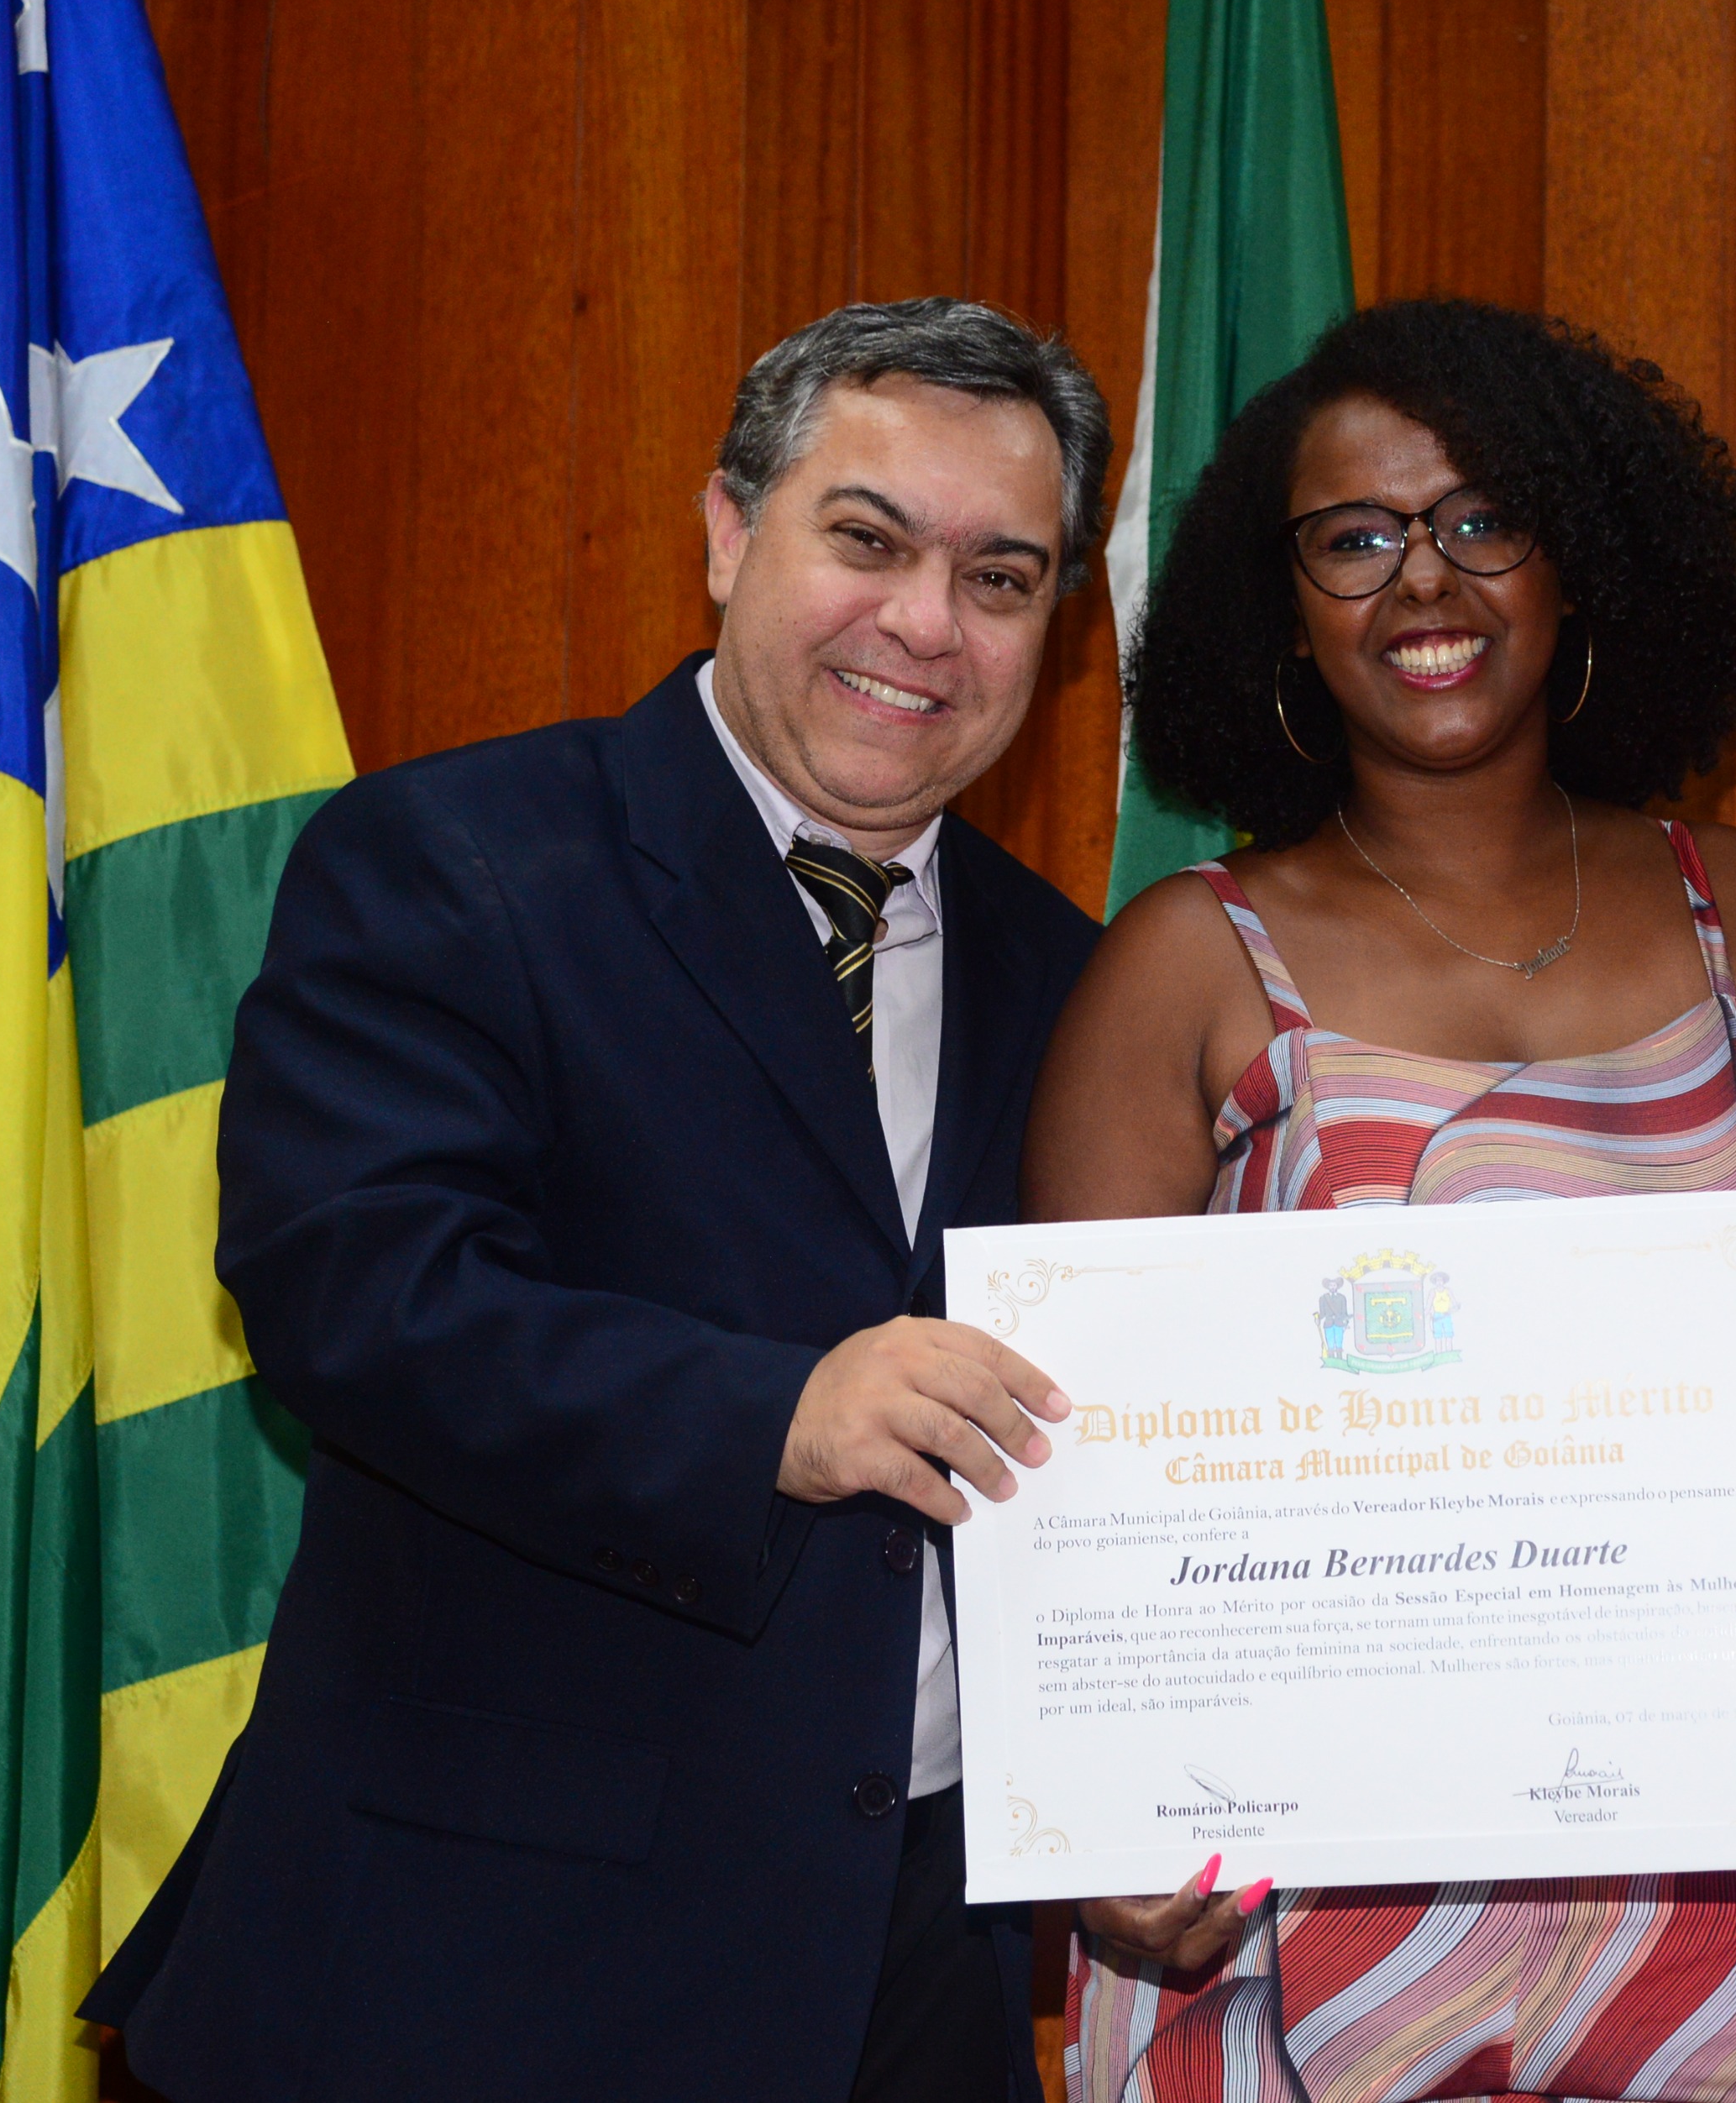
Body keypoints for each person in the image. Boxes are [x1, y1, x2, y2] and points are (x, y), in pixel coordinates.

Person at [80, 301, 1109, 2103]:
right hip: (480, 1976)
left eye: (1000, 577)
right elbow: (360, 1295)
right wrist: (773, 1415)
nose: (925, 623)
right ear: (727, 529)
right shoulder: (453, 858)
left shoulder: (1075, 976)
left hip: (913, 1985)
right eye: (867, 540)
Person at [1028, 299, 1736, 2103]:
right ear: (1285, 605)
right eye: (1355, 538)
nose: (1424, 582)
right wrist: (1103, 1819)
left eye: (1481, 518)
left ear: (1579, 556)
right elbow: (1073, 1476)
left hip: (1726, 1903)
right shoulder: (1187, 960)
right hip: (1304, 1924)